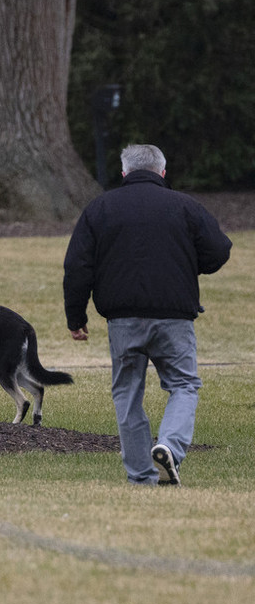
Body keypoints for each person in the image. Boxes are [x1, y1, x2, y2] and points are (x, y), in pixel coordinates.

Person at [63, 144, 232, 485]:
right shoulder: (185, 206)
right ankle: (169, 445)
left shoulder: (101, 208)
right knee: (183, 384)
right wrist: (187, 266)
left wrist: (75, 317)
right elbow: (219, 250)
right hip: (174, 316)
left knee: (127, 392)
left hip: (123, 319)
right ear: (162, 172)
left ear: (124, 172)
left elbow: (77, 266)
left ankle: (141, 476)